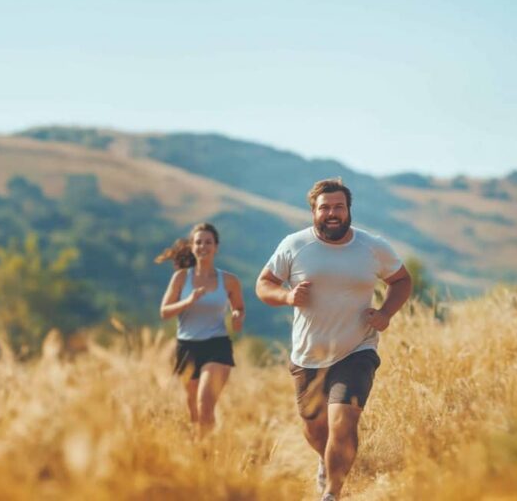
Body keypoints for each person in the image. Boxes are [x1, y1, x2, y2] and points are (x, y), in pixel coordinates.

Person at [255, 178, 412, 501]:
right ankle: (326, 463)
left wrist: (385, 313)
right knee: (316, 430)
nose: (332, 213)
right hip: (308, 355)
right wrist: (286, 297)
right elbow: (264, 284)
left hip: (357, 349)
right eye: (325, 207)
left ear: (348, 209)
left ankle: (332, 493)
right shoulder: (294, 245)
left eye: (339, 206)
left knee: (343, 422)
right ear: (313, 211)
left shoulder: (372, 247)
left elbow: (402, 280)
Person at [156, 222, 245, 436]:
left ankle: (208, 455)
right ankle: (200, 453)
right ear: (192, 246)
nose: (203, 246)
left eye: (208, 242)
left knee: (205, 404)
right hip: (186, 347)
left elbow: (239, 308)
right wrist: (188, 301)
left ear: (216, 247)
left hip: (217, 345)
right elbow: (165, 312)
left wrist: (236, 317)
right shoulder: (181, 278)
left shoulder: (230, 280)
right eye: (198, 242)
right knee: (194, 410)